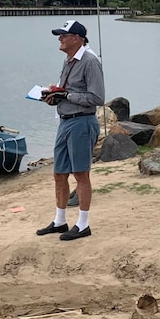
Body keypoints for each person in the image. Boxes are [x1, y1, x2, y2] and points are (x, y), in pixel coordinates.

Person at [36, 20, 105, 241]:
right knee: (59, 173)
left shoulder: (90, 62)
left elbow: (97, 98)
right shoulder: (69, 61)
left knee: (81, 174)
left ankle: (83, 224)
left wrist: (66, 96)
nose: (60, 39)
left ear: (77, 38)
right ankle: (59, 220)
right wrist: (53, 97)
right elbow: (67, 90)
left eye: (64, 35)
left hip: (82, 122)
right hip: (65, 120)